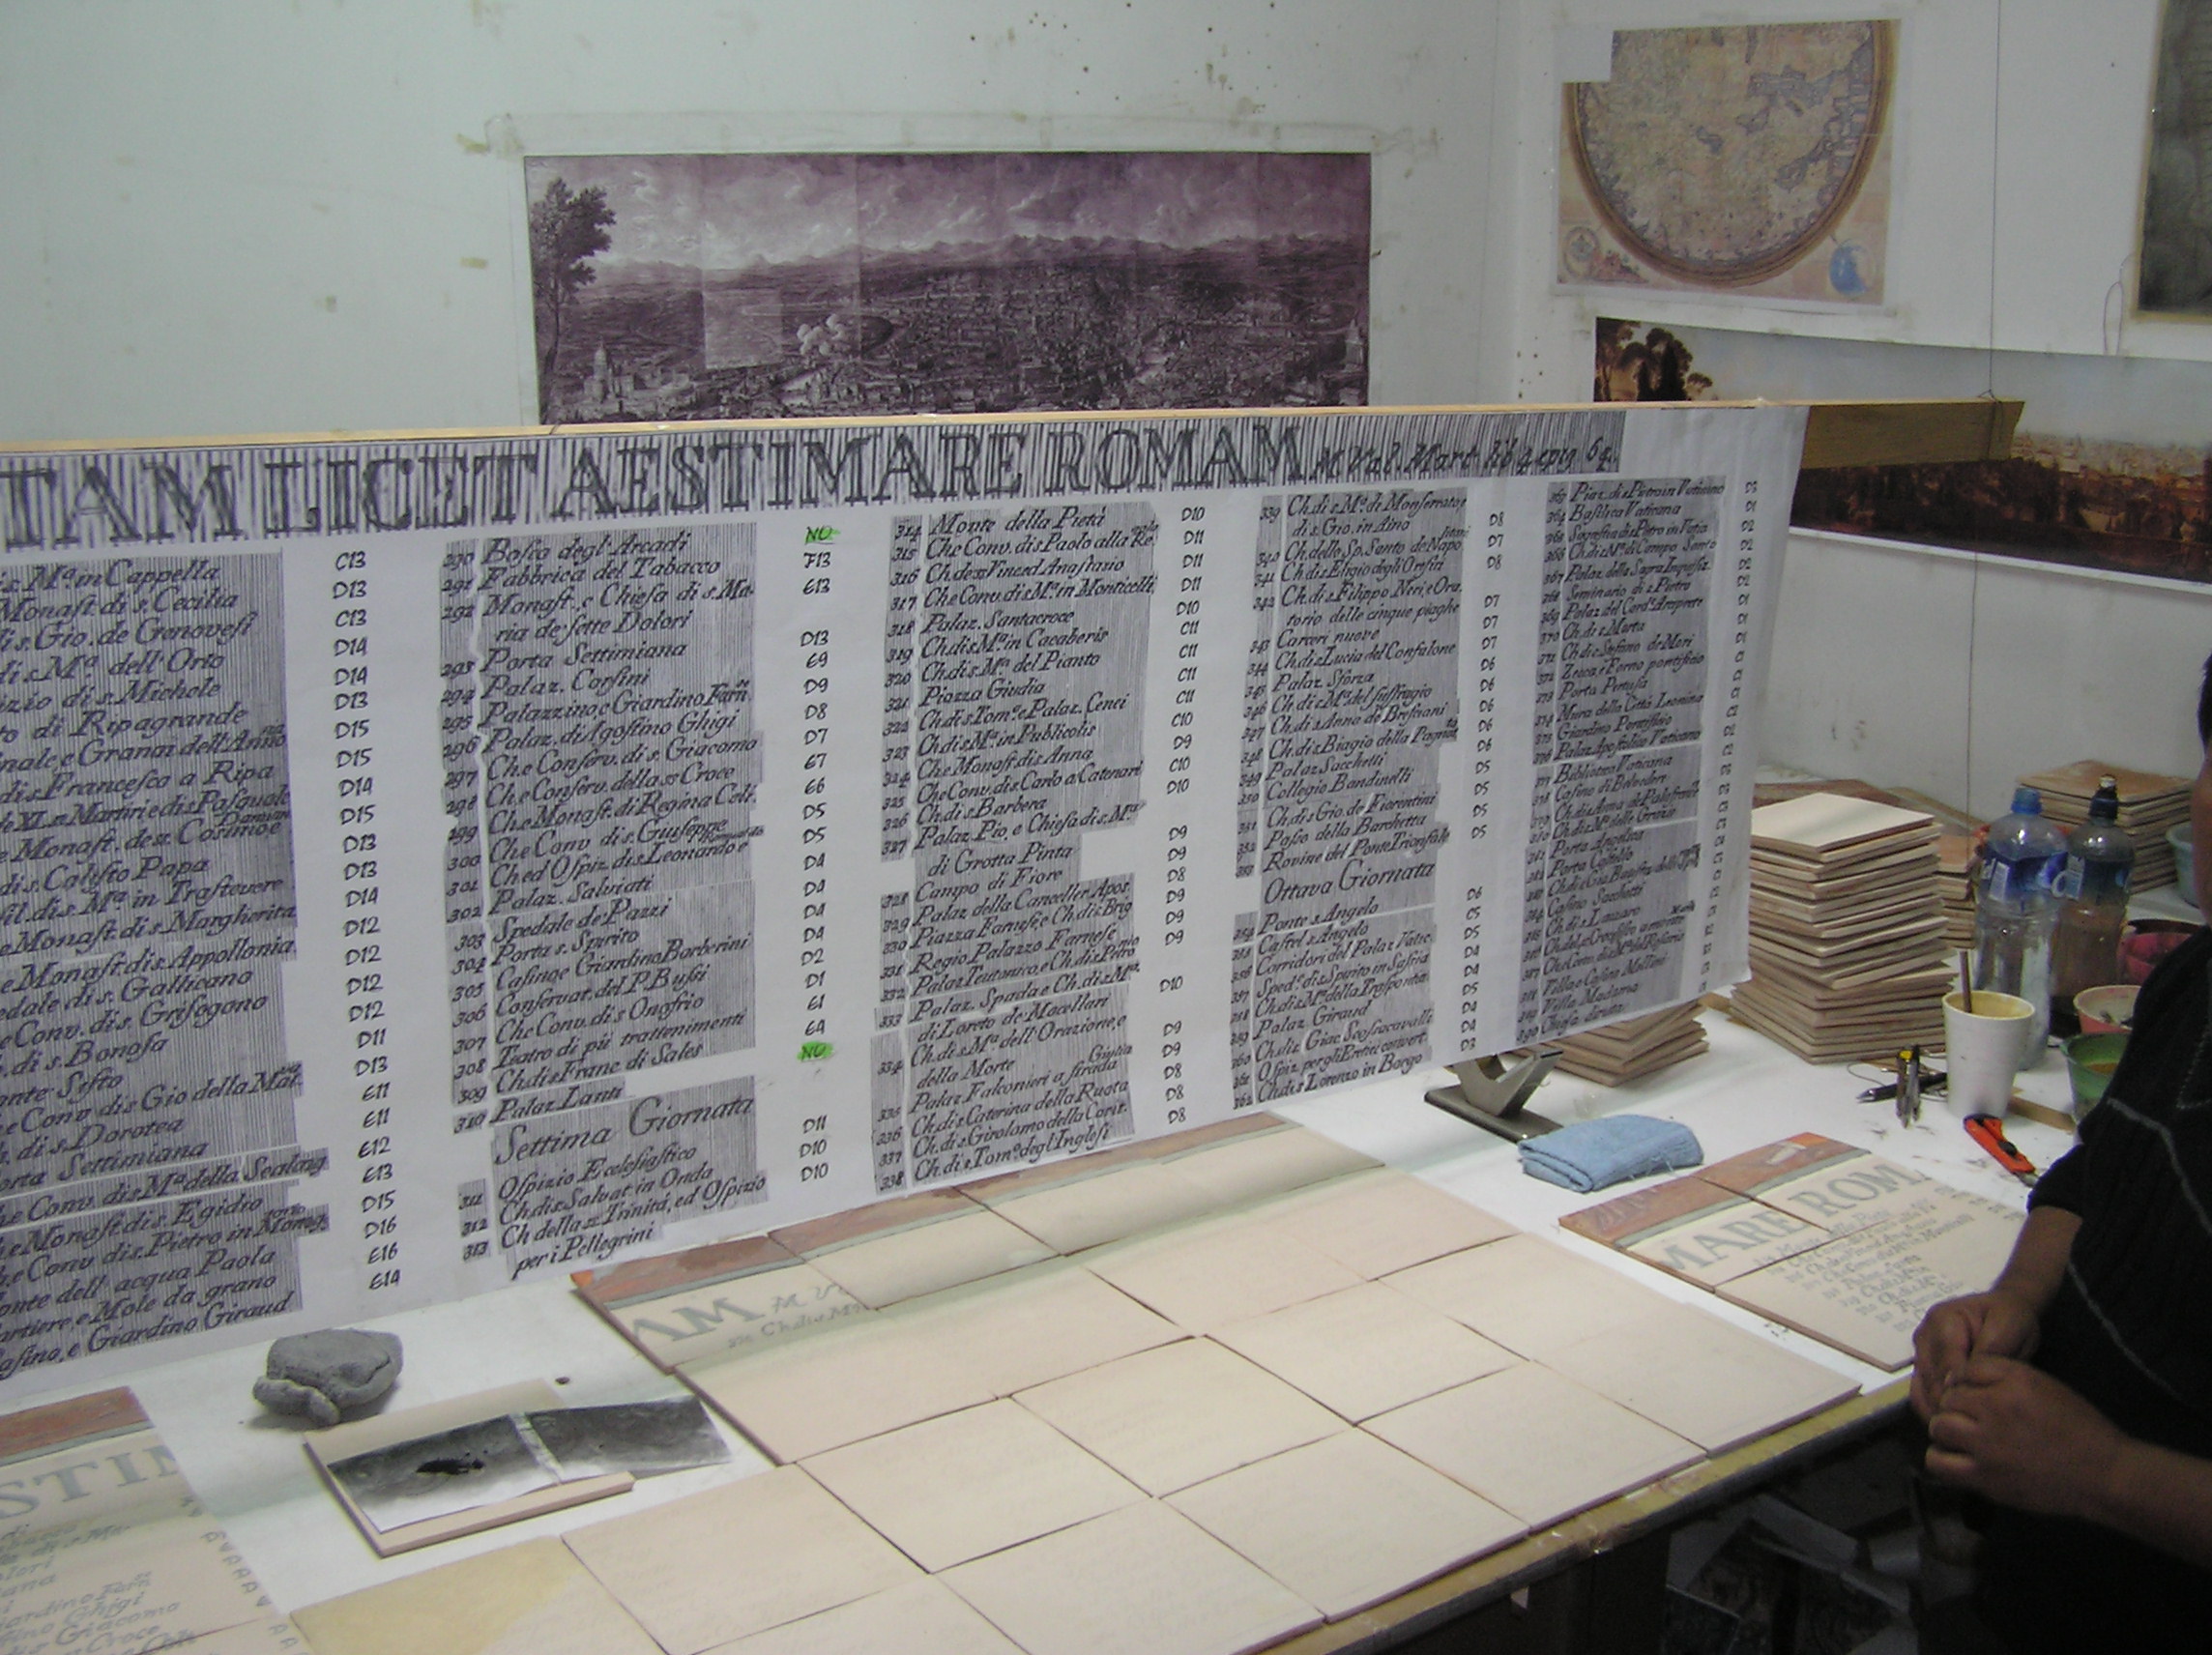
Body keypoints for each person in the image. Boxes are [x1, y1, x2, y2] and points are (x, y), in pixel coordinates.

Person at [1911, 652, 2212, 1651]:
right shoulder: (2195, 980)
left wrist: (2102, 1472)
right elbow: (2092, 1178)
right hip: (2043, 1586)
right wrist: (2015, 1301)